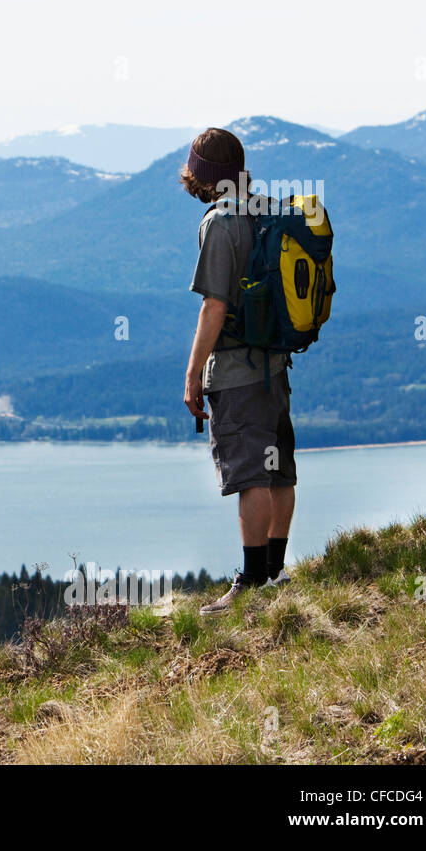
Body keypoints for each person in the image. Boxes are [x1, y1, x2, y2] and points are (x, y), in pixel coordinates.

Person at [180, 128, 295, 614]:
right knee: (277, 468)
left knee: (250, 474)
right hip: (275, 364)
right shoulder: (269, 208)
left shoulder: (220, 222)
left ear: (201, 175)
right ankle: (276, 571)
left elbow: (214, 306)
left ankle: (251, 584)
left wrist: (192, 375)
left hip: (236, 370)